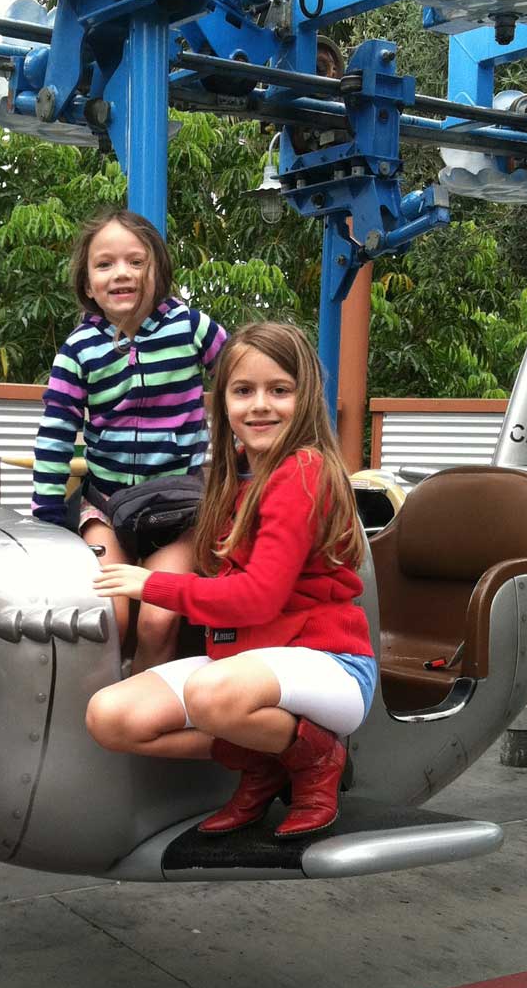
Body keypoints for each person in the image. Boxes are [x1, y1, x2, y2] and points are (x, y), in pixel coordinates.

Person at [85, 322, 377, 838]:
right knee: (110, 717)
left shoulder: (302, 471)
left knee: (209, 696)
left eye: (279, 390)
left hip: (328, 662)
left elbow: (257, 599)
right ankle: (264, 758)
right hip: (244, 666)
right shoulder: (230, 476)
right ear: (222, 404)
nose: (259, 405)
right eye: (243, 391)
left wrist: (149, 586)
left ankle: (318, 757)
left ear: (304, 396)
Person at [31, 208, 227, 671]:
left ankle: (141, 714)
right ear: (87, 281)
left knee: (158, 620)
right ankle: (104, 712)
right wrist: (42, 518)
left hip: (180, 506)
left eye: (136, 261)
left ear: (158, 269)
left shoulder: (192, 328)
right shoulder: (79, 349)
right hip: (108, 501)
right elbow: (56, 434)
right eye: (105, 264)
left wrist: (243, 461)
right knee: (107, 617)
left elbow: (246, 376)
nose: (121, 273)